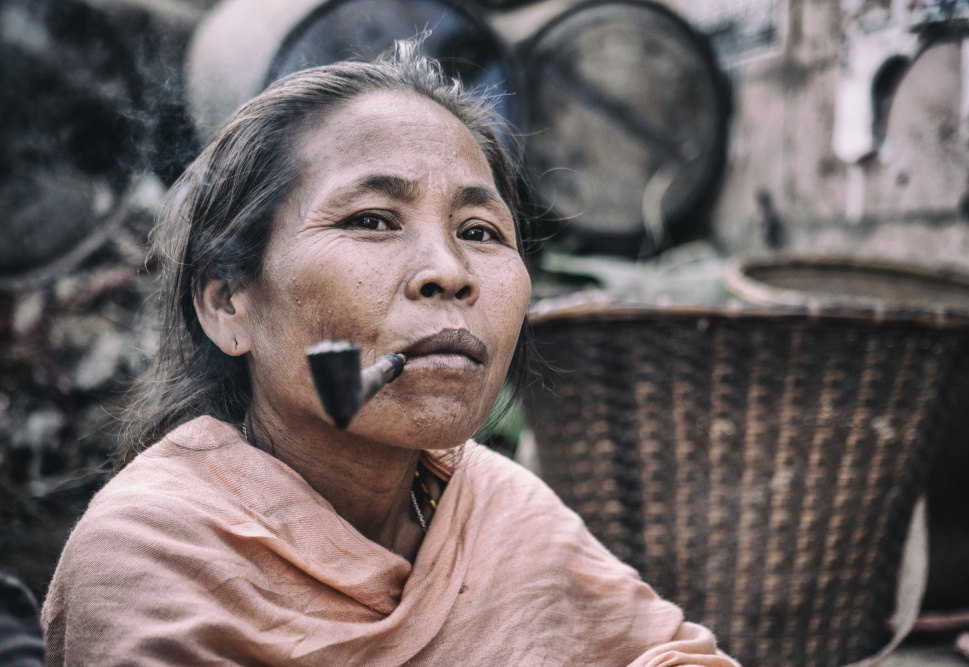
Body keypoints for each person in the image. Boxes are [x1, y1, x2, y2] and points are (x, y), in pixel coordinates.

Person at [41, 41, 738, 666]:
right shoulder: (153, 556)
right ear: (229, 304)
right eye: (371, 220)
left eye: (481, 229)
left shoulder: (494, 506)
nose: (450, 270)